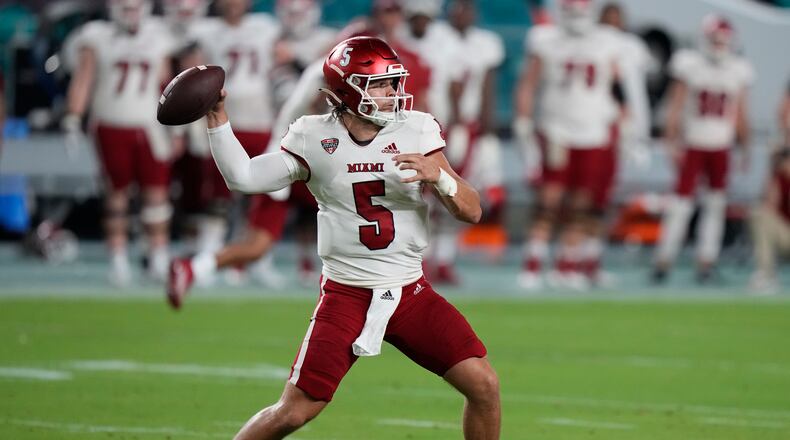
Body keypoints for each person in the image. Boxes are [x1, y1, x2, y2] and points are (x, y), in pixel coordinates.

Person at [196, 36, 500, 440]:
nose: (393, 93)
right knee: (294, 412)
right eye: (380, 84)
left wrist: (440, 178)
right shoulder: (312, 136)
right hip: (347, 294)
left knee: (484, 386)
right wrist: (218, 118)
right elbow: (245, 177)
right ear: (348, 89)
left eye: (393, 82)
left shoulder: (417, 129)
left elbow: (472, 210)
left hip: (410, 291)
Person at [63, 0, 178, 285]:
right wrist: (73, 117)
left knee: (157, 194)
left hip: (150, 126)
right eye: (125, 7)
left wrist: (178, 129)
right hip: (111, 124)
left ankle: (158, 255)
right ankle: (118, 257)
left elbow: (167, 85)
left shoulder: (159, 35)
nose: (131, 13)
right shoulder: (97, 36)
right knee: (116, 195)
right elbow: (84, 79)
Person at [513, 0, 624, 290]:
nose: (576, 16)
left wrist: (625, 124)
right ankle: (533, 263)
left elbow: (617, 87)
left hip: (593, 131)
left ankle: (567, 263)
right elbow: (528, 83)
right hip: (556, 130)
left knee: (582, 202)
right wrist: (523, 121)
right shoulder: (545, 39)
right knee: (549, 199)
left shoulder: (606, 41)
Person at [652, 15, 754, 284]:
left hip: (720, 145)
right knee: (680, 205)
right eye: (714, 40)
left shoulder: (738, 69)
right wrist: (671, 142)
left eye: (723, 41)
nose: (719, 45)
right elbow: (676, 105)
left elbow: (741, 113)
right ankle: (664, 259)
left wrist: (745, 148)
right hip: (694, 143)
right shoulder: (690, 64)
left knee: (715, 205)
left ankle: (706, 260)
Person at [749, 148, 790, 294]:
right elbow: (769, 204)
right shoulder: (778, 178)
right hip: (785, 234)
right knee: (759, 215)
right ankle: (766, 274)